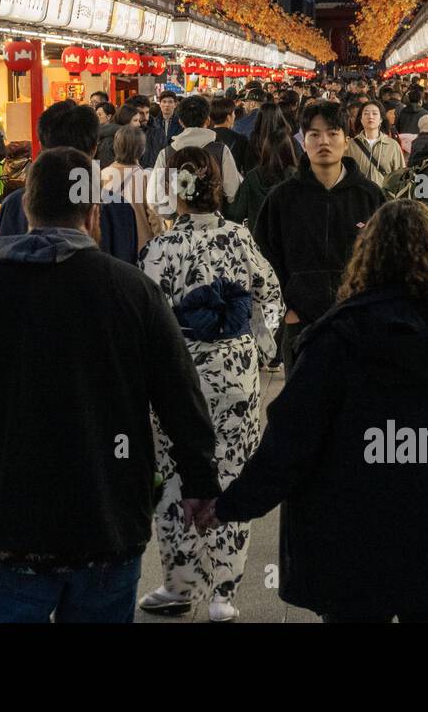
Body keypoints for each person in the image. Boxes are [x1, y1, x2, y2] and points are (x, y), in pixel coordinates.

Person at [0, 147, 220, 623]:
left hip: (9, 523)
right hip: (108, 520)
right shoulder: (131, 290)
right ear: (93, 212)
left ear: (26, 209)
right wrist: (200, 481)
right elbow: (180, 397)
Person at [201, 199, 428, 622]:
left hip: (352, 542)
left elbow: (289, 442)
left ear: (367, 257)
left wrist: (231, 505)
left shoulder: (334, 339)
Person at [137, 148, 282, 622]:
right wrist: (258, 345)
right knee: (231, 473)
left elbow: (147, 318)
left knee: (174, 475)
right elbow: (271, 296)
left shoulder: (160, 250)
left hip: (179, 377)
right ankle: (223, 590)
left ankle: (180, 584)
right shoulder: (239, 237)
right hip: (236, 374)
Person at [254, 100, 384, 374]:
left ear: (346, 141)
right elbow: (264, 258)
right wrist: (287, 308)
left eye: (333, 133)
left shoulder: (369, 196)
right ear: (303, 142)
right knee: (303, 409)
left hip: (358, 321)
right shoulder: (282, 198)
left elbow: (386, 258)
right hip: (301, 322)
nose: (323, 141)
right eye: (314, 134)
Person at [0, 101, 141, 264]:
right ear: (94, 148)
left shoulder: (14, 205)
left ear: (41, 146)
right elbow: (126, 271)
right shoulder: (118, 208)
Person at [149, 95, 243, 219]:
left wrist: (173, 213)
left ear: (181, 122)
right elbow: (233, 192)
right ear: (208, 120)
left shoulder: (166, 153)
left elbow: (155, 198)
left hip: (180, 228)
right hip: (215, 226)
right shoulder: (220, 151)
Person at [226, 102, 297, 228]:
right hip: (289, 235)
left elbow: (236, 213)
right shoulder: (297, 177)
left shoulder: (252, 174)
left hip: (258, 232)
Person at [101, 125, 163, 250]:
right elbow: (155, 216)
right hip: (143, 246)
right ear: (142, 149)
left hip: (113, 245)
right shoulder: (145, 176)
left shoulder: (103, 174)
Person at [349, 100, 406, 187]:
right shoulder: (350, 145)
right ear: (361, 119)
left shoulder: (392, 145)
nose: (370, 116)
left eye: (375, 113)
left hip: (384, 198)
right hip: (358, 198)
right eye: (366, 113)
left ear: (381, 119)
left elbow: (401, 178)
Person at [97, 103, 142, 170]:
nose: (139, 124)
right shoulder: (109, 141)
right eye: (135, 120)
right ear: (126, 121)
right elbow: (107, 170)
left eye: (139, 120)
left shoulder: (129, 139)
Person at [210, 97, 249, 171]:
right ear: (228, 117)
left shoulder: (206, 137)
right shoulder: (240, 140)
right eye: (233, 113)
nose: (234, 116)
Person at [145, 91, 182, 167]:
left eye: (170, 102)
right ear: (160, 104)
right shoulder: (153, 123)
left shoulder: (181, 123)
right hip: (157, 161)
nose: (167, 105)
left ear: (175, 104)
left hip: (175, 160)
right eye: (164, 102)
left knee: (171, 179)